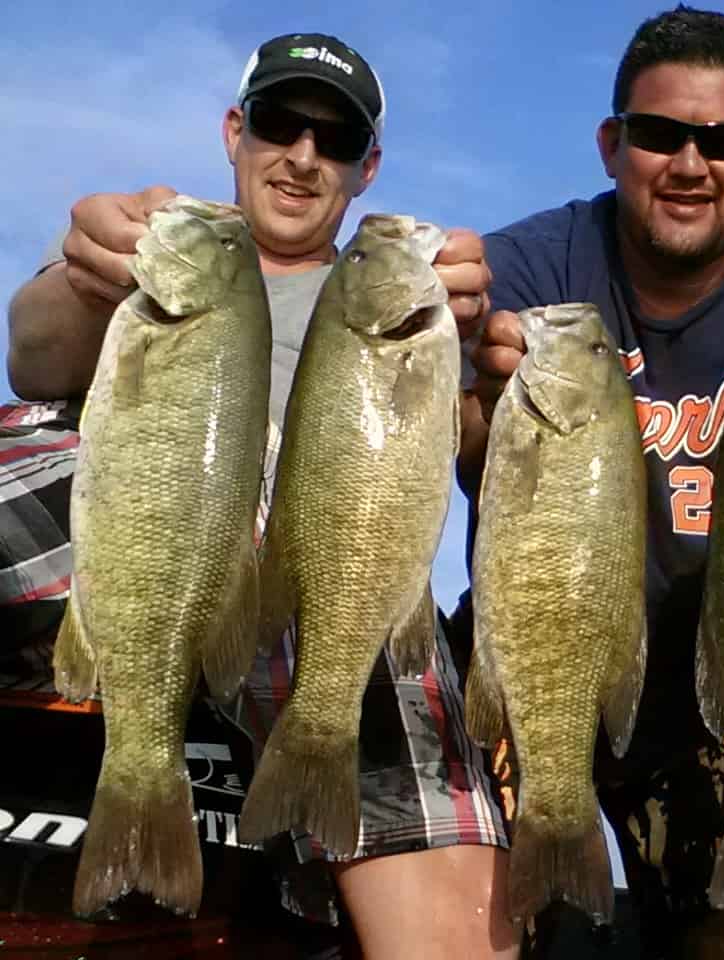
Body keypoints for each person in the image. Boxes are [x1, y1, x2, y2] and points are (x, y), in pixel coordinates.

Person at [3, 32, 520, 959]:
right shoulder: (155, 244)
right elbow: (33, 360)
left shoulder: (412, 303)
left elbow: (461, 470)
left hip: (322, 559)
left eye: (337, 141)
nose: (303, 156)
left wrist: (475, 363)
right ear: (236, 130)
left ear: (369, 171)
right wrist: (86, 280)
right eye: (281, 124)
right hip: (144, 520)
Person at [460, 7, 724, 958]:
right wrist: (474, 390)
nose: (691, 163)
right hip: (539, 651)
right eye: (659, 134)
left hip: (716, 684)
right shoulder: (528, 272)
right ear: (614, 143)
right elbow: (434, 457)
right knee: (485, 922)